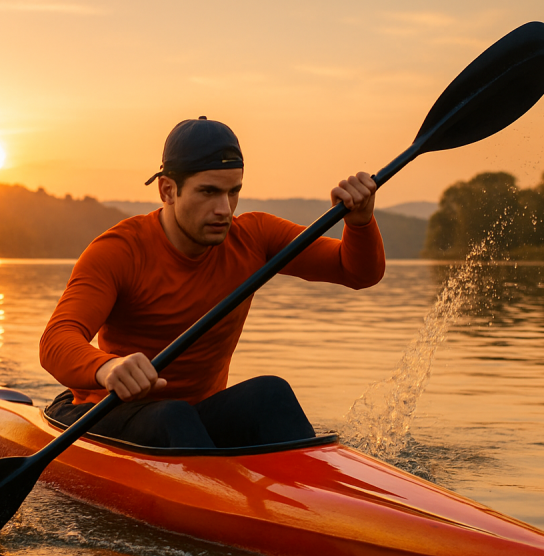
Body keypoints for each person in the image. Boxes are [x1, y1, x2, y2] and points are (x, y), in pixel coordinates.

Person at [39, 116, 384, 448]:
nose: (225, 209)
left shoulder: (255, 236)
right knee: (172, 417)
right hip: (101, 413)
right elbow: (56, 340)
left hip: (195, 418)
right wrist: (108, 366)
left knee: (271, 394)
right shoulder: (119, 251)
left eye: (233, 192)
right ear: (168, 190)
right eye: (208, 192)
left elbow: (356, 272)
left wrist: (360, 222)